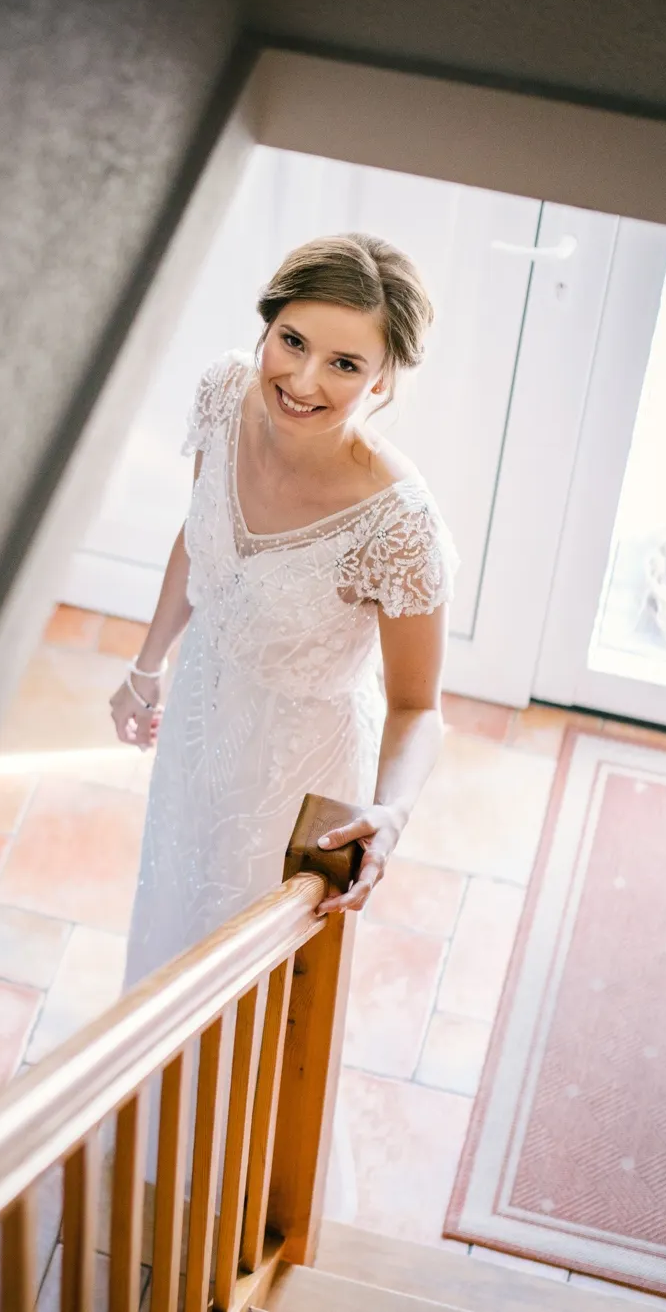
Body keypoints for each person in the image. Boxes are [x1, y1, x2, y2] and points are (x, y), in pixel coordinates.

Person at [110, 233, 455, 990]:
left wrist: (391, 813)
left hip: (296, 772)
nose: (302, 380)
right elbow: (201, 537)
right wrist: (146, 667)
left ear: (384, 377)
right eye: (292, 341)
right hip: (200, 715)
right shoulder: (224, 393)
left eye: (344, 364)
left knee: (246, 975)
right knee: (174, 909)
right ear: (266, 325)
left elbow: (417, 707)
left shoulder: (398, 523)